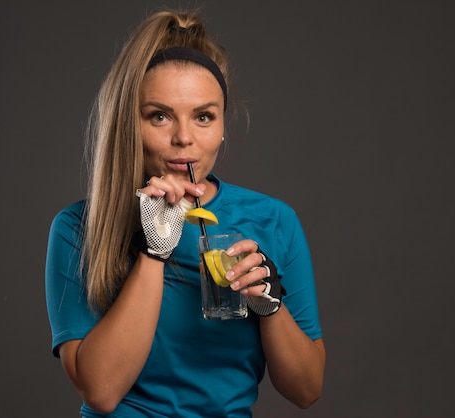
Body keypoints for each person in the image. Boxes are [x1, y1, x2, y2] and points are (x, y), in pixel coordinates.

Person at [45, 7, 325, 417]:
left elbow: (306, 390)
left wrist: (270, 304)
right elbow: (100, 393)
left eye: (203, 117)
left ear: (222, 125)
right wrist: (153, 252)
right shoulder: (79, 228)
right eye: (159, 116)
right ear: (129, 123)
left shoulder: (274, 220)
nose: (184, 138)